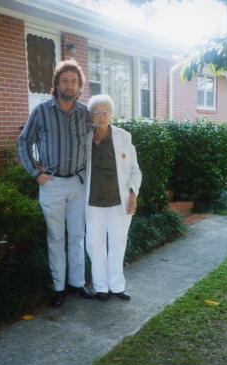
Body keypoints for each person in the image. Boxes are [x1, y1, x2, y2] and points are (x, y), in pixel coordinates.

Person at [18, 60, 95, 307]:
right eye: (65, 80)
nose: (69, 85)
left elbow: (98, 140)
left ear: (79, 85)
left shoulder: (85, 113)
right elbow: (23, 142)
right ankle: (58, 287)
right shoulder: (41, 111)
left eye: (74, 81)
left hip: (77, 183)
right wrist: (35, 173)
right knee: (55, 238)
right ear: (57, 83)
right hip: (51, 183)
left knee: (77, 236)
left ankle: (77, 283)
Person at [85, 94, 142, 301]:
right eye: (96, 112)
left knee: (118, 243)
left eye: (105, 112)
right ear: (91, 115)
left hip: (119, 201)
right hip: (92, 202)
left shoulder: (123, 136)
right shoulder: (84, 138)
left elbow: (135, 170)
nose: (101, 116)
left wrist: (133, 194)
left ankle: (117, 286)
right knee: (94, 244)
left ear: (111, 114)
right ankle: (101, 286)